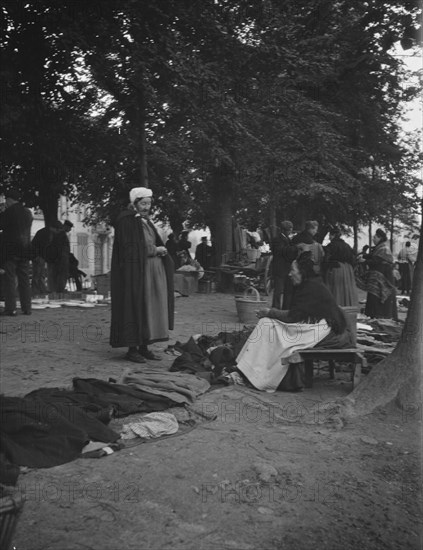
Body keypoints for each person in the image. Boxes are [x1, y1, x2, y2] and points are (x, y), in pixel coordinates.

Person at [235, 252, 353, 392]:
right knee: (268, 325)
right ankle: (249, 370)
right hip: (314, 326)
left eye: (293, 271)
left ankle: (256, 374)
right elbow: (298, 316)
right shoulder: (309, 285)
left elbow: (293, 317)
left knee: (268, 326)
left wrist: (270, 312)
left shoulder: (312, 288)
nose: (290, 274)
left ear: (302, 272)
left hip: (322, 331)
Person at [110, 187, 174, 363]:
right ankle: (132, 349)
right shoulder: (126, 221)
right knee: (136, 307)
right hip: (137, 273)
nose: (147, 207)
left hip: (151, 272)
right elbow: (130, 249)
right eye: (144, 203)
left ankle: (144, 346)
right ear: (135, 203)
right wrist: (155, 250)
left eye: (149, 204)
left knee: (149, 308)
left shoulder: (145, 221)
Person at [0, 190, 33, 315]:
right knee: (24, 280)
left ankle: (11, 308)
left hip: (10, 250)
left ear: (9, 200)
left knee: (9, 280)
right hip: (25, 250)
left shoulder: (8, 212)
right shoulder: (27, 212)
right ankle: (27, 308)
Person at [360, 228, 398, 320]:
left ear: (380, 238)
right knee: (374, 295)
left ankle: (381, 315)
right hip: (378, 275)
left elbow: (377, 260)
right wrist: (363, 255)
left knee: (380, 294)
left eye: (375, 237)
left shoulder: (384, 248)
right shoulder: (380, 247)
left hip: (384, 276)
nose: (373, 239)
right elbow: (373, 256)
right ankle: (374, 314)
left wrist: (364, 260)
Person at [323, 227, 358, 307]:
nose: (329, 237)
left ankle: (335, 309)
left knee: (336, 290)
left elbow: (326, 260)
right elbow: (353, 259)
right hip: (347, 270)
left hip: (335, 269)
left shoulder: (331, 246)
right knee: (345, 291)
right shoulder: (347, 246)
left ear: (334, 235)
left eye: (330, 235)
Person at [270, 220, 298, 309]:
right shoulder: (277, 239)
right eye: (289, 230)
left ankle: (285, 309)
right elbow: (281, 251)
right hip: (279, 269)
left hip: (287, 268)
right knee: (278, 291)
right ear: (283, 230)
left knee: (288, 290)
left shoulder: (288, 239)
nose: (290, 232)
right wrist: (294, 248)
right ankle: (276, 308)